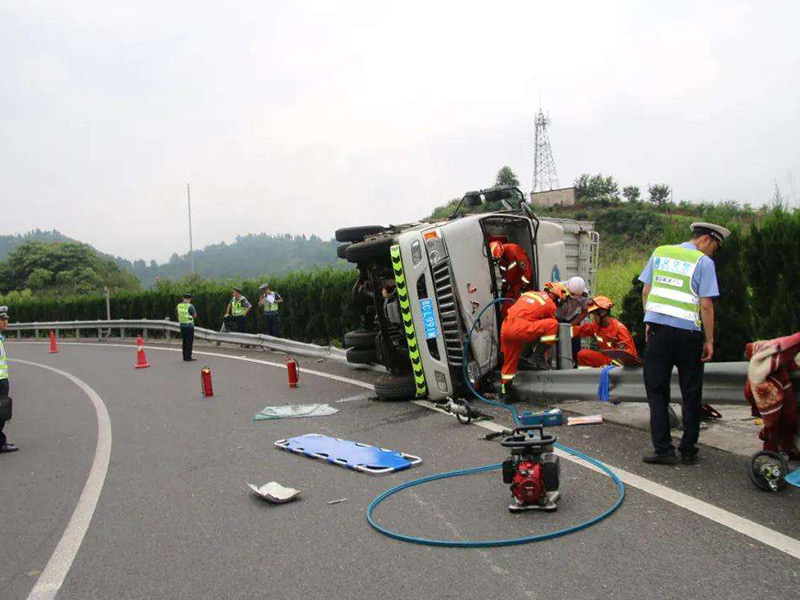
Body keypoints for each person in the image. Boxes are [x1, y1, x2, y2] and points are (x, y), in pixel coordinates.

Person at [638, 222, 729, 465]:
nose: (713, 253)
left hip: (658, 333)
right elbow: (706, 304)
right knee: (690, 393)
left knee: (657, 392)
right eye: (715, 248)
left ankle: (663, 450)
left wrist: (649, 319)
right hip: (688, 335)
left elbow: (646, 291)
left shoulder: (660, 252)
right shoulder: (704, 263)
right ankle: (688, 450)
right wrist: (709, 340)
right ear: (707, 240)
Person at [499, 282, 566, 402]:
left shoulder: (529, 294)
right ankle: (537, 356)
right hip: (520, 328)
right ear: (555, 296)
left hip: (506, 327)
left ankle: (506, 391)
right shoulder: (550, 303)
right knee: (552, 324)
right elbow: (550, 320)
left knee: (509, 361)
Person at [571, 295, 639, 367]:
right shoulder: (596, 326)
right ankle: (585, 377)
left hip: (622, 365)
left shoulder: (619, 329)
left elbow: (628, 354)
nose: (594, 318)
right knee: (582, 355)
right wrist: (561, 330)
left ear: (603, 313)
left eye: (595, 315)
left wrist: (611, 365)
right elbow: (578, 330)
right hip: (607, 359)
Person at [489, 241, 533, 316]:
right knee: (504, 311)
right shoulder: (500, 260)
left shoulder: (514, 250)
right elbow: (504, 277)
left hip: (523, 286)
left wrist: (523, 287)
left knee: (517, 312)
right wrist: (504, 290)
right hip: (513, 287)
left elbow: (527, 270)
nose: (498, 262)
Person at [556, 276, 590, 367]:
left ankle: (574, 368)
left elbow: (584, 312)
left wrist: (571, 325)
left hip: (572, 318)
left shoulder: (584, 295)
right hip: (556, 318)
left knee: (575, 347)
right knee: (555, 345)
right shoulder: (557, 287)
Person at [0, 305, 18, 454]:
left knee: (2, 412)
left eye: (6, 319)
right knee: (1, 413)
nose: (5, 322)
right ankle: (1, 443)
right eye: (2, 319)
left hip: (2, 380)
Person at [177, 293, 198, 361]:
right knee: (189, 341)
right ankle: (188, 356)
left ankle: (184, 356)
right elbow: (195, 315)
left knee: (184, 341)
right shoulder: (190, 306)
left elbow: (177, 313)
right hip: (189, 326)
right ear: (189, 299)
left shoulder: (179, 305)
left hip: (182, 325)